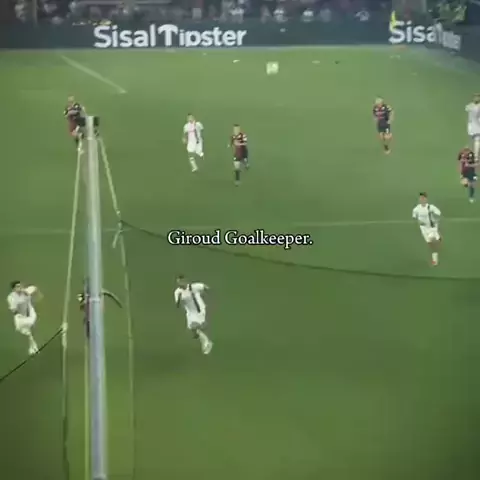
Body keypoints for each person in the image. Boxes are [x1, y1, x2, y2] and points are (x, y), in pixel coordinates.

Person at [174, 275, 213, 355]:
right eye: (178, 282)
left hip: (199, 310)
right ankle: (205, 341)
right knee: (193, 330)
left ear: (185, 281)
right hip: (190, 312)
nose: (180, 284)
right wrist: (179, 299)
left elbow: (204, 286)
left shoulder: (193, 287)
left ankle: (206, 342)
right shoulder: (177, 292)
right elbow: (177, 305)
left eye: (181, 281)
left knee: (198, 327)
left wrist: (206, 291)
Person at [7, 281, 41, 355]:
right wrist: (18, 314)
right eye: (17, 287)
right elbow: (14, 310)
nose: (19, 288)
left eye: (20, 286)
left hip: (29, 312)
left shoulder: (25, 292)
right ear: (13, 289)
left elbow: (34, 288)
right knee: (26, 332)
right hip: (20, 317)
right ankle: (32, 347)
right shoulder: (11, 298)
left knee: (31, 327)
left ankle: (33, 348)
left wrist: (37, 296)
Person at [412, 192, 441, 266]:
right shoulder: (416, 209)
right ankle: (438, 239)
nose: (422, 199)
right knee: (429, 243)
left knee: (432, 241)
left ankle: (434, 259)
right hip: (424, 229)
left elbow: (438, 214)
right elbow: (414, 217)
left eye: (423, 198)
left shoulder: (431, 207)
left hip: (432, 227)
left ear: (426, 199)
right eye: (421, 198)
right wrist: (419, 222)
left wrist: (435, 218)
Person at [465, 94, 480, 159]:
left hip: (477, 126)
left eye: (477, 97)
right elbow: (467, 108)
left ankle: (475, 156)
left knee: (477, 141)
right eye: (475, 97)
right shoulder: (470, 105)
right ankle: (471, 155)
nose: (476, 98)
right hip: (472, 125)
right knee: (472, 141)